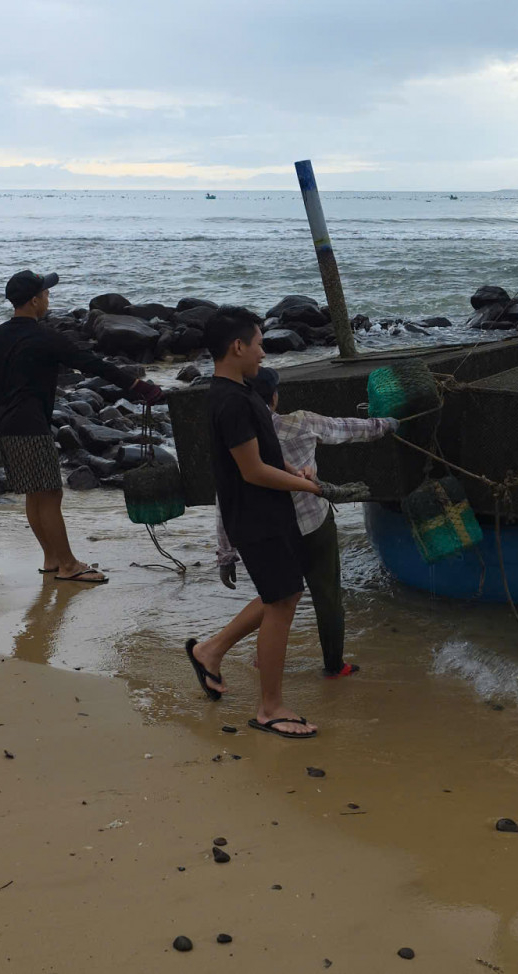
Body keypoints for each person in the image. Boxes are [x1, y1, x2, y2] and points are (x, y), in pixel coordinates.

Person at [181, 306, 325, 739]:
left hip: (268, 512)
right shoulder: (230, 401)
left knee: (280, 595)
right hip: (257, 517)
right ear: (237, 346)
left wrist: (294, 473)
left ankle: (209, 652)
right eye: (259, 344)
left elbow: (267, 458)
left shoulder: (243, 393)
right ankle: (270, 708)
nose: (264, 352)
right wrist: (309, 489)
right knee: (282, 602)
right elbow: (252, 472)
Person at [0, 270, 162, 584]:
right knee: (49, 494)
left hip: (6, 423)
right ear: (34, 300)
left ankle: (51, 558)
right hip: (30, 425)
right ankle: (68, 565)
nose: (48, 299)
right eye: (45, 294)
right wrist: (136, 386)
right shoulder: (44, 337)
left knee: (35, 495)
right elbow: (92, 364)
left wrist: (0, 414)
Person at [211, 366, 396, 678]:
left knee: (276, 598)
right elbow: (350, 429)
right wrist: (388, 424)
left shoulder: (238, 439)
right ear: (274, 397)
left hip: (271, 533)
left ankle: (264, 659)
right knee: (327, 596)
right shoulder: (300, 422)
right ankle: (335, 666)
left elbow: (225, 499)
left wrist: (225, 554)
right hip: (313, 524)